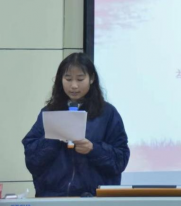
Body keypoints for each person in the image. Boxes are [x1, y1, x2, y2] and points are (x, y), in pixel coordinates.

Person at [22, 53, 130, 197]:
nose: (73, 86)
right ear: (60, 79)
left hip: (93, 199)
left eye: (80, 79)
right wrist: (53, 140)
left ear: (91, 78)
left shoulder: (107, 113)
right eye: (68, 79)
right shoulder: (49, 112)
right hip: (53, 198)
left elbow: (120, 160)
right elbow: (32, 161)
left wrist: (93, 149)